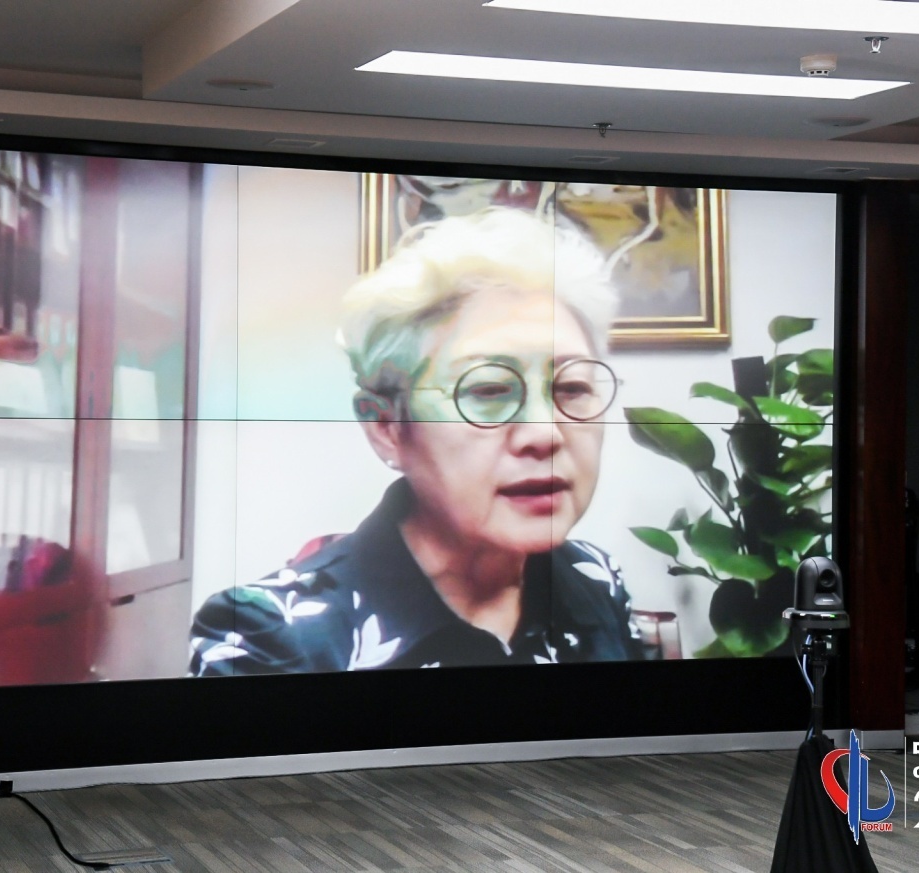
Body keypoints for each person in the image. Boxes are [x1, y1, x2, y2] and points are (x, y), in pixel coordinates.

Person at [190, 207, 643, 674]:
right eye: (488, 391)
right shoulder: (266, 638)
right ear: (387, 427)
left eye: (572, 388)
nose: (545, 434)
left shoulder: (594, 578)